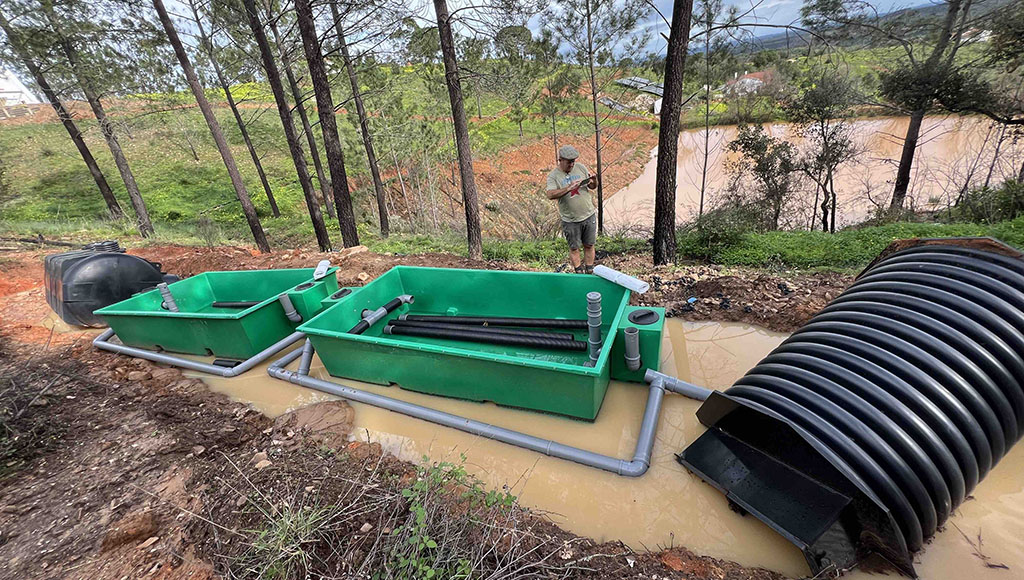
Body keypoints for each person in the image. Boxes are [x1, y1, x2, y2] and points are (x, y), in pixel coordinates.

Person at [545, 144, 598, 273]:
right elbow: (550, 194)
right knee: (574, 247)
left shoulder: (581, 168)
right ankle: (578, 271)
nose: (572, 165)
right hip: (570, 219)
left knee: (589, 244)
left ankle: (590, 270)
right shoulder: (553, 176)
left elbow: (593, 187)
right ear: (560, 160)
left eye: (573, 162)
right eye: (569, 162)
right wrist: (568, 188)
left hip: (588, 214)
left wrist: (594, 181)